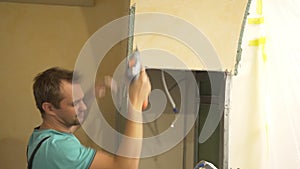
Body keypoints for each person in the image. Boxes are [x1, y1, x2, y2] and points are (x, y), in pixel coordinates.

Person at [27, 67, 151, 169]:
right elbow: (124, 167)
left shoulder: (42, 136)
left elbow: (73, 123)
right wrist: (135, 103)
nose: (83, 107)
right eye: (75, 103)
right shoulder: (59, 149)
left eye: (81, 100)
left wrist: (92, 93)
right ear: (49, 108)